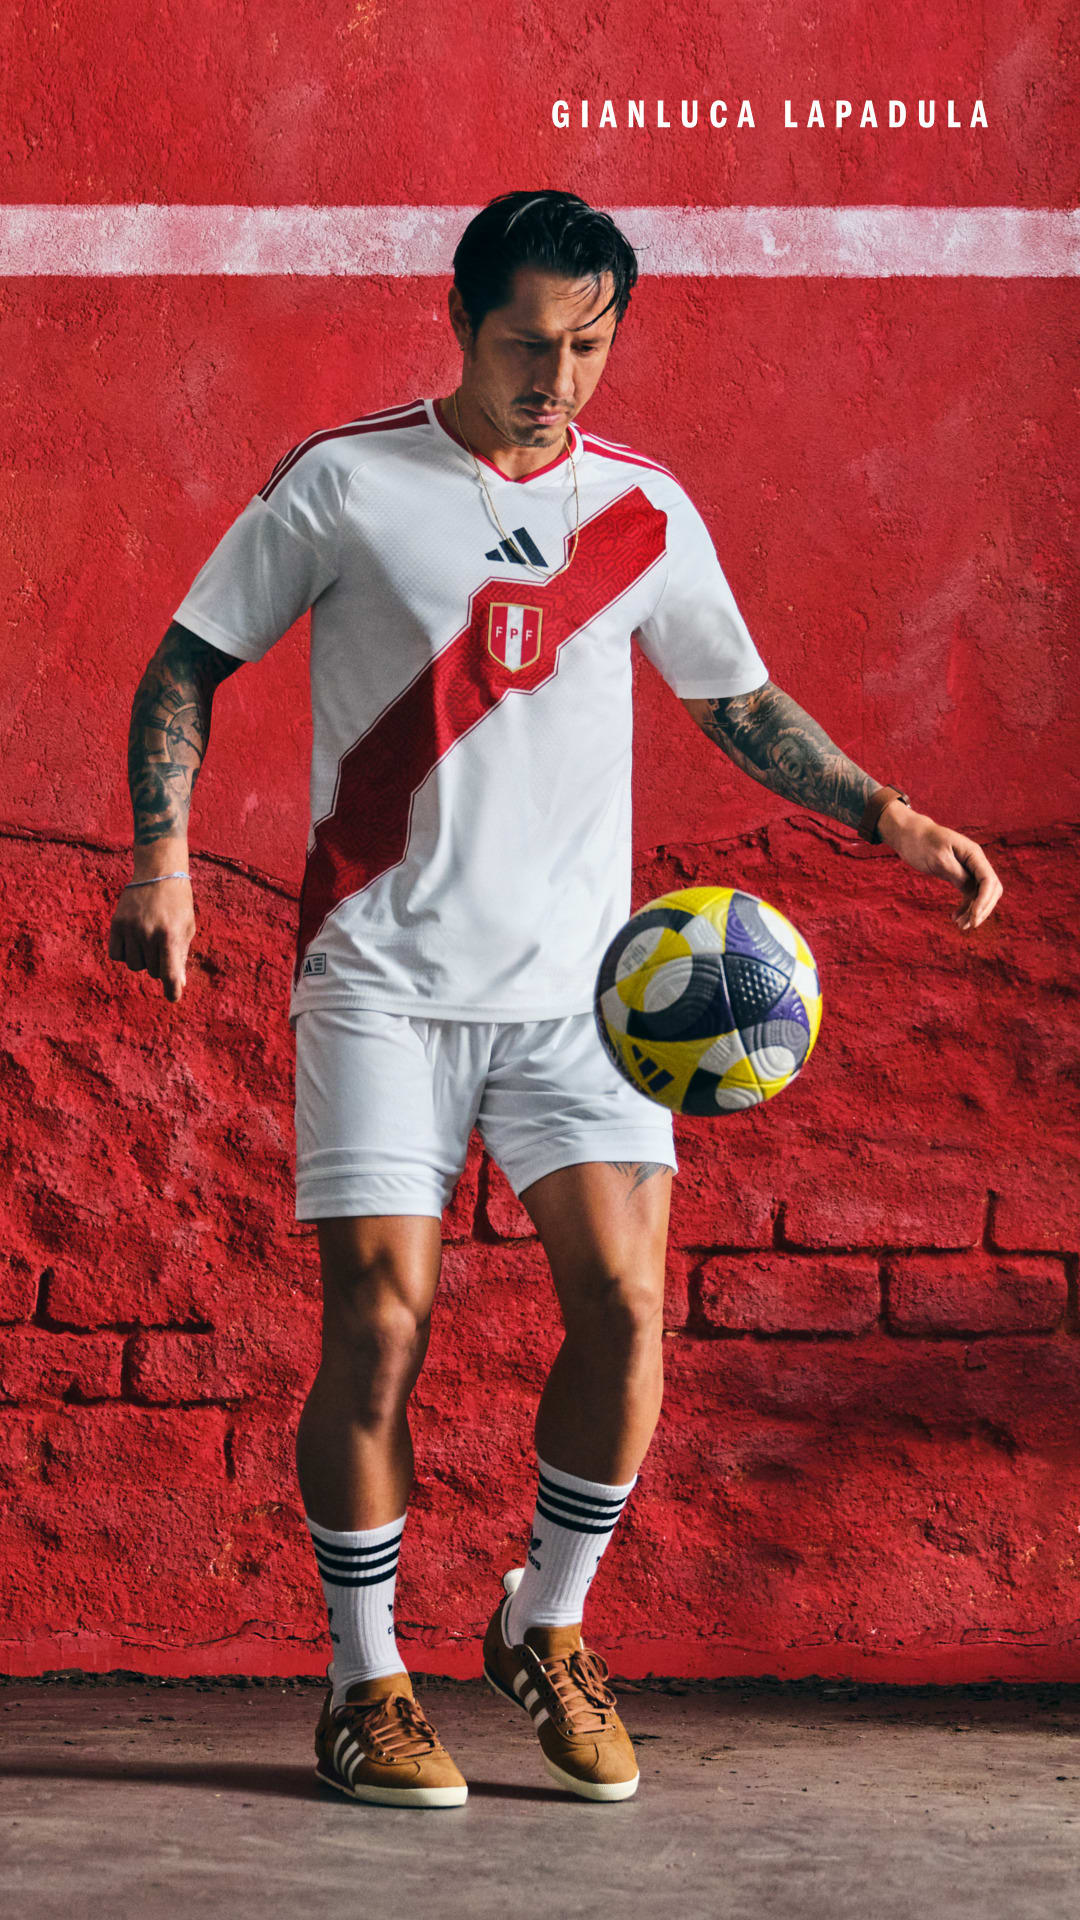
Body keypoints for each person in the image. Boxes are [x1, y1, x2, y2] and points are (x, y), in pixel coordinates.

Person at [108, 189, 1003, 1809]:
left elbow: (735, 699)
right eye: (531, 341)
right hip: (379, 976)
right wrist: (161, 856)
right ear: (463, 319)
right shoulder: (348, 481)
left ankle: (546, 1620)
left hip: (589, 998)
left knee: (629, 1308)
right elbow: (186, 659)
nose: (561, 375)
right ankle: (364, 1680)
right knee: (380, 1327)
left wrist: (886, 815)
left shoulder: (646, 511)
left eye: (591, 343)